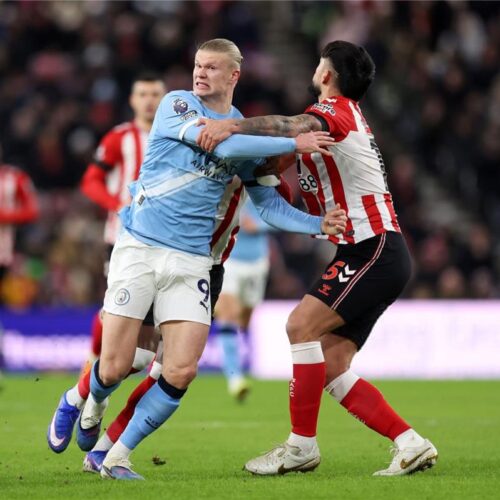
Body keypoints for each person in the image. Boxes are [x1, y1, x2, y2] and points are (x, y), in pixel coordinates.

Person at [85, 38, 346, 480]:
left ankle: (112, 455)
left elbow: (268, 203)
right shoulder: (179, 105)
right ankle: (84, 402)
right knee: (120, 365)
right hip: (143, 247)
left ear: (233, 75)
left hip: (201, 260)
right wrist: (291, 140)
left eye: (210, 67)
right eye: (197, 65)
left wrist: (318, 223)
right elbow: (222, 147)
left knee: (178, 369)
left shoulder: (247, 136)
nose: (200, 72)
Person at [196, 40, 438, 477]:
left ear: (327, 74)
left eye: (319, 63)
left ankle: (300, 447)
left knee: (299, 326)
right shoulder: (339, 123)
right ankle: (410, 443)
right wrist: (266, 168)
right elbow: (285, 164)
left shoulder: (334, 111)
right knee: (331, 365)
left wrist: (231, 127)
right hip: (374, 250)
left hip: (372, 248)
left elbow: (289, 125)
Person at [82, 173, 292, 473]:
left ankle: (105, 450)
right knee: (135, 359)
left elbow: (282, 201)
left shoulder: (256, 162)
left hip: (218, 266)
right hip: (165, 258)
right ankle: (81, 399)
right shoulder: (194, 154)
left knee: (167, 372)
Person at [47, 73, 166, 454]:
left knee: (146, 352)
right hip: (123, 243)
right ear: (132, 100)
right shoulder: (120, 138)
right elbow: (91, 181)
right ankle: (90, 396)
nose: (149, 100)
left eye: (155, 94)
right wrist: (117, 203)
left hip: (168, 248)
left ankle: (92, 397)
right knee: (114, 319)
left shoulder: (179, 135)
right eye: (143, 93)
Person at [213, 196, 275, 401]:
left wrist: (258, 224)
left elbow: (282, 215)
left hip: (257, 262)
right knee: (228, 313)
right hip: (228, 259)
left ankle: (243, 358)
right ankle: (235, 378)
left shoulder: (267, 184)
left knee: (244, 318)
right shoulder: (226, 184)